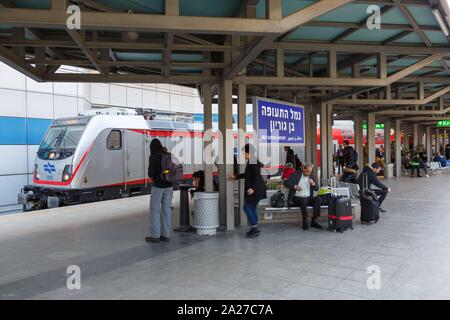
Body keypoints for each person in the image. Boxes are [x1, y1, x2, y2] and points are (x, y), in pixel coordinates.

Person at [229, 144, 267, 238]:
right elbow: (247, 175)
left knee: (246, 207)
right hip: (257, 188)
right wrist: (235, 177)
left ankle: (255, 228)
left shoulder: (252, 161)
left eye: (243, 153)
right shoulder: (252, 160)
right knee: (252, 208)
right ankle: (254, 228)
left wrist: (252, 188)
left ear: (248, 152)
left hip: (255, 189)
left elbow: (257, 177)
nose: (243, 155)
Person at [146, 139, 174, 244]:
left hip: (158, 186)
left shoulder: (153, 156)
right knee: (167, 211)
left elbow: (150, 173)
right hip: (169, 186)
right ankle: (166, 235)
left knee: (155, 210)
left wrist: (152, 177)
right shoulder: (168, 155)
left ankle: (155, 236)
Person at [283, 164, 324, 230]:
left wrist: (313, 183)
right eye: (306, 171)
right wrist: (295, 186)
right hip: (296, 199)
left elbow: (316, 188)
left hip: (307, 198)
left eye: (309, 172)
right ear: (303, 169)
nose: (308, 173)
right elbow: (286, 182)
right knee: (303, 199)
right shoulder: (296, 174)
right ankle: (305, 220)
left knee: (318, 199)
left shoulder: (311, 176)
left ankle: (314, 220)